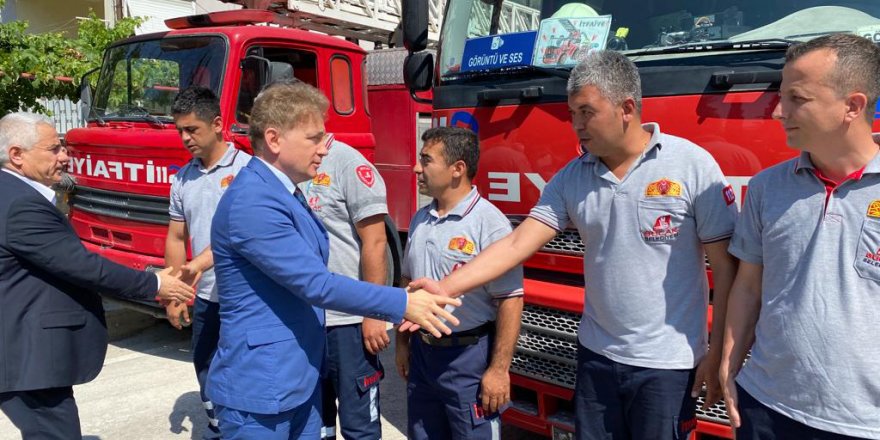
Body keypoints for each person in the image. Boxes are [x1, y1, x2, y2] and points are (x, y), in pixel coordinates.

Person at [408, 50, 739, 440]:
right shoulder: (572, 178)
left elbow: (727, 271)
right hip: (596, 359)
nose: (576, 125)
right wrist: (442, 290)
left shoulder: (691, 165)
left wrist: (720, 355)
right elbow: (516, 244)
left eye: (586, 112)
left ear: (626, 108)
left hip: (667, 365)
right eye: (572, 114)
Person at [206, 80, 462, 439]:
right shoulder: (254, 202)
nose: (323, 150)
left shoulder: (284, 192)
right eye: (313, 138)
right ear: (275, 139)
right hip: (262, 388)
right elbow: (316, 282)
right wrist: (401, 302)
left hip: (297, 375)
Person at [721, 33, 880, 440]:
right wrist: (728, 364)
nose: (778, 112)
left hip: (862, 424)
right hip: (765, 406)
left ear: (853, 105)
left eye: (797, 99)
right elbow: (748, 286)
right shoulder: (766, 188)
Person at [0, 112, 195, 440]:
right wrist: (157, 284)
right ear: (17, 155)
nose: (64, 156)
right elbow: (84, 267)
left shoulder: (11, 193)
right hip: (27, 361)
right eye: (53, 150)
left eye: (63, 146)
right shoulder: (21, 206)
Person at [395, 127, 524, 439]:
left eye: (426, 161)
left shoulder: (489, 223)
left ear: (457, 169)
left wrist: (498, 370)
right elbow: (408, 283)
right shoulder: (420, 218)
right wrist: (402, 345)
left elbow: (510, 299)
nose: (416, 168)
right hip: (424, 358)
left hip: (468, 359)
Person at [164, 86, 252, 439]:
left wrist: (202, 262)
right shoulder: (183, 178)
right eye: (180, 131)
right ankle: (219, 430)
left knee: (245, 371)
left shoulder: (248, 171)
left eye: (192, 130)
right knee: (206, 367)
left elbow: (245, 237)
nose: (185, 138)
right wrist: (174, 294)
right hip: (205, 299)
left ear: (217, 124)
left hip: (245, 297)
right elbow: (175, 238)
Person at [298, 134, 391, 440]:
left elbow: (376, 242)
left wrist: (374, 312)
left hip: (346, 322)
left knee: (359, 426)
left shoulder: (346, 163)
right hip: (304, 320)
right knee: (315, 425)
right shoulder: (287, 163)